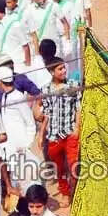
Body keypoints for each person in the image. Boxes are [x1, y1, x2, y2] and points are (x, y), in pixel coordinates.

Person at [36, 59, 80, 199]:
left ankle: (75, 194)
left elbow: (78, 108)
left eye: (64, 68)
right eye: (60, 69)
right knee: (59, 168)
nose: (64, 71)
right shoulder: (45, 90)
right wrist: (41, 135)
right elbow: (47, 114)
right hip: (54, 136)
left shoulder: (73, 85)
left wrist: (77, 128)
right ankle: (65, 193)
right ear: (52, 72)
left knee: (74, 166)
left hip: (70, 132)